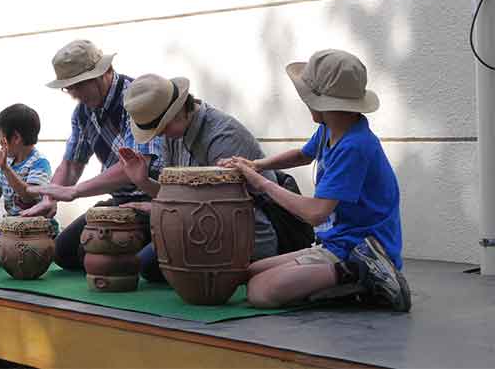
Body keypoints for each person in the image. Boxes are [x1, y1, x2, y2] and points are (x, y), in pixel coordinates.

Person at [220, 49, 410, 312]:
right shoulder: (331, 128)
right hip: (338, 242)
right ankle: (343, 285)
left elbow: (315, 213)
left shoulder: (354, 146)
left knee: (260, 292)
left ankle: (359, 272)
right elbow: (302, 155)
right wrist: (257, 164)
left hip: (361, 248)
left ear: (322, 103)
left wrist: (259, 181)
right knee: (250, 273)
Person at [102, 74, 279, 281]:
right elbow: (176, 195)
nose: (159, 135)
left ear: (178, 111)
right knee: (145, 264)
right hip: (200, 224)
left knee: (151, 264)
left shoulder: (223, 137)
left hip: (246, 236)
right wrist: (142, 181)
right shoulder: (175, 134)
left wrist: (160, 208)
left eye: (161, 128)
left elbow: (221, 209)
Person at [21, 39, 163, 271]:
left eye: (79, 85)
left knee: (125, 261)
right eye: (69, 88)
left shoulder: (135, 98)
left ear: (104, 72)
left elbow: (135, 167)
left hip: (155, 199)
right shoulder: (82, 113)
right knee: (63, 252)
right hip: (119, 202)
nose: (74, 94)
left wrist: (74, 191)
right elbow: (71, 164)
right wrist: (50, 198)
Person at [0, 104, 56, 231]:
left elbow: (29, 196)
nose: (0, 145)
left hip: (36, 229)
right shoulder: (8, 162)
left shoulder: (39, 163)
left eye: (2, 140)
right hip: (12, 226)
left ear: (16, 138)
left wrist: (6, 169)